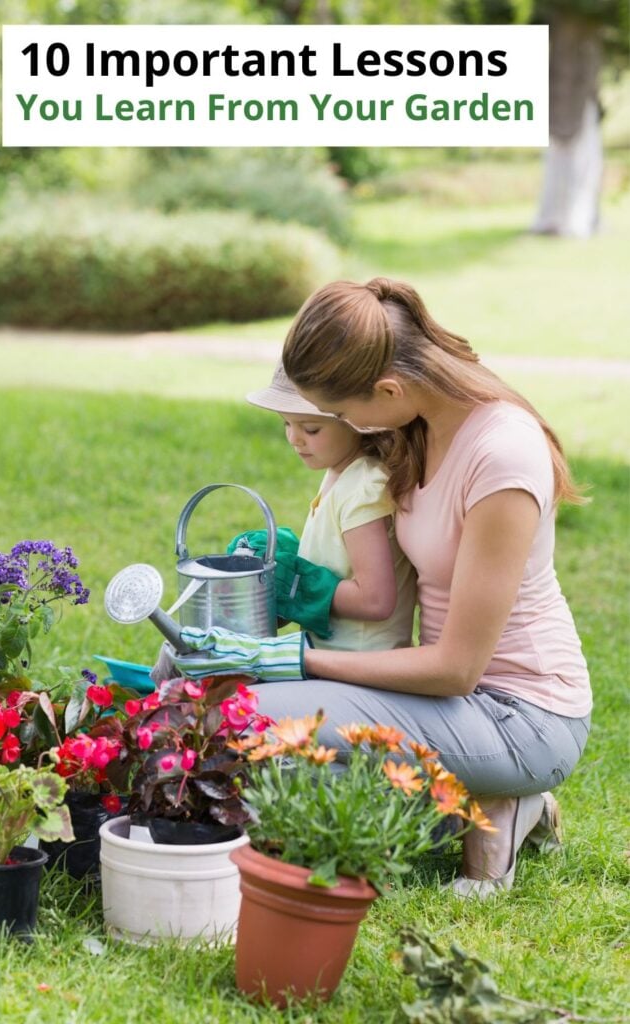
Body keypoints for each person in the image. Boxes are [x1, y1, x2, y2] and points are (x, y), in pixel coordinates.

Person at [166, 277, 592, 898]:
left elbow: (456, 669)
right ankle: (485, 804)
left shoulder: (503, 458)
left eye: (341, 413)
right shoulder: (417, 424)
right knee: (218, 701)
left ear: (387, 389)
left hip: (520, 714)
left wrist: (290, 662)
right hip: (446, 704)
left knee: (238, 719)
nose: (341, 427)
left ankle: (501, 797)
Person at [228, 360, 416, 652]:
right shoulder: (339, 471)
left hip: (365, 668)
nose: (294, 438)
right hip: (331, 657)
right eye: (286, 423)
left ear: (354, 419)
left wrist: (296, 584)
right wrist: (282, 559)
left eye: (311, 429)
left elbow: (376, 600)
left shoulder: (364, 486)